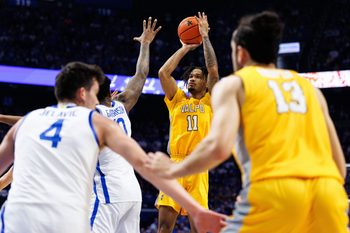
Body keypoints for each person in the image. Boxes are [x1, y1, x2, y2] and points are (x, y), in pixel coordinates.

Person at [147, 11, 349, 233]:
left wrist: (172, 171)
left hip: (275, 188)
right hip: (328, 193)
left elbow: (218, 148)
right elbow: (339, 165)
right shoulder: (308, 88)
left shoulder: (236, 84)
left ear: (240, 54)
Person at [0, 61, 227, 233]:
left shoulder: (32, 121)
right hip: (105, 200)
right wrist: (195, 209)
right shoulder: (96, 118)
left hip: (19, 215)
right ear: (83, 93)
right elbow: (145, 165)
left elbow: (9, 172)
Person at [90, 17, 161, 233]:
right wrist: (146, 44)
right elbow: (141, 74)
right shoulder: (121, 105)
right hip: (132, 191)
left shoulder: (91, 114)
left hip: (108, 192)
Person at [156, 12, 219, 233]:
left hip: (199, 167)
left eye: (197, 76)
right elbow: (163, 72)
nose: (192, 78)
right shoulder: (177, 100)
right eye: (190, 76)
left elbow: (212, 69)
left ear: (205, 84)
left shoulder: (211, 101)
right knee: (164, 228)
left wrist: (204, 37)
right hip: (175, 164)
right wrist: (185, 47)